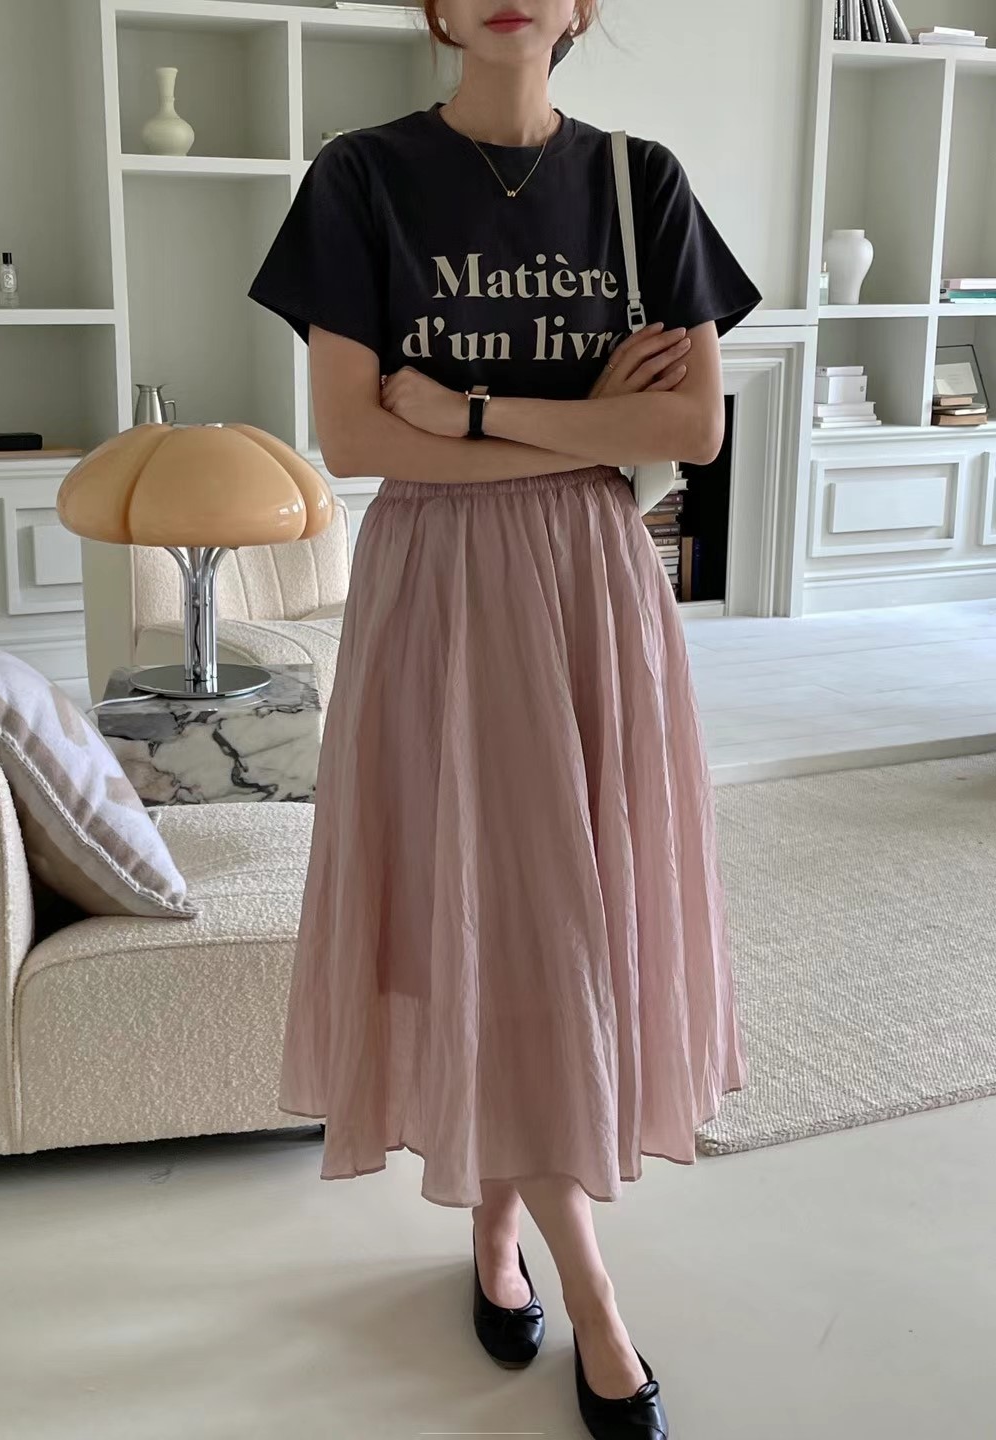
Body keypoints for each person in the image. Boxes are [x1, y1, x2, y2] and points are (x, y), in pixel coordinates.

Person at [249, 2, 761, 1434]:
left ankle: (494, 1227)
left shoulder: (640, 183)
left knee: (572, 912)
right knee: (491, 906)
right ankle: (596, 1306)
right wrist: (580, 418)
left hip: (595, 588)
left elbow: (693, 432)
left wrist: (472, 413)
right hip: (443, 590)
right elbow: (358, 437)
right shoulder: (362, 175)